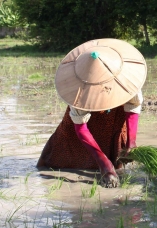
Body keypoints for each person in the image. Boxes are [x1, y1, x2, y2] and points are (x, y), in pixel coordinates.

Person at [37, 39, 147, 187]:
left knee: (117, 158)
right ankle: (104, 166)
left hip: (115, 118)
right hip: (84, 123)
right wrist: (103, 162)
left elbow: (133, 106)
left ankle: (112, 165)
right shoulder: (79, 92)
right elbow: (81, 128)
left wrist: (131, 142)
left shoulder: (127, 82)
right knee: (62, 161)